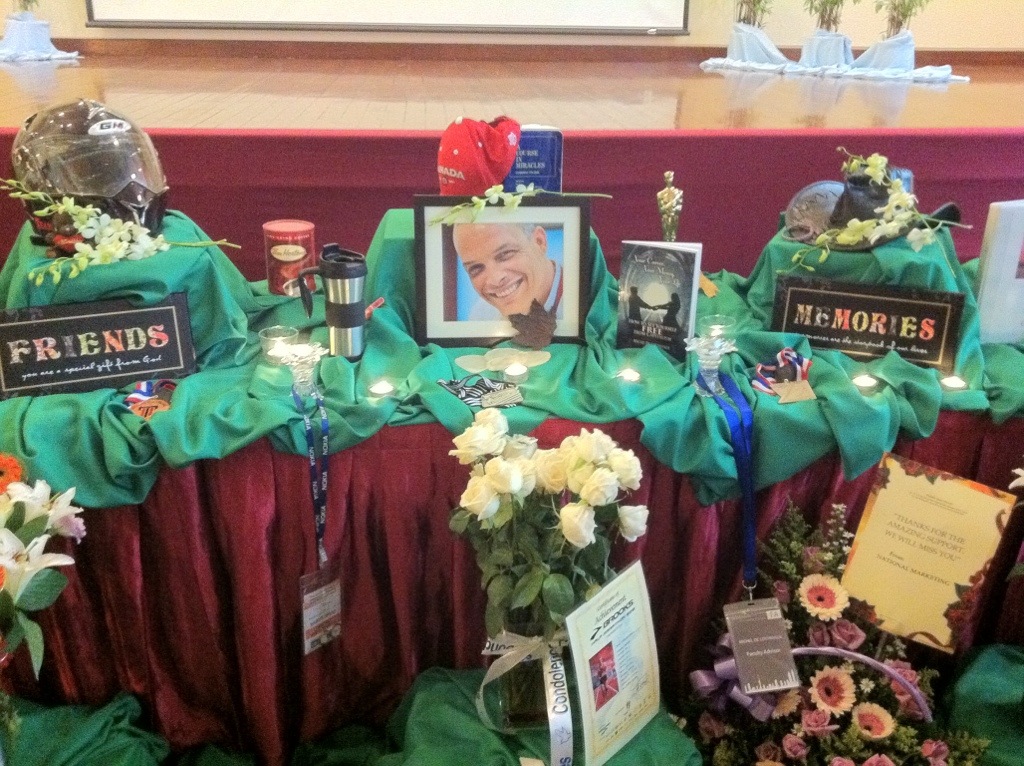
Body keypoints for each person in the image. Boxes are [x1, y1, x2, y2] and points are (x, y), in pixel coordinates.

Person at [451, 222, 562, 320]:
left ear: (539, 242)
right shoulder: (481, 315)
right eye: (476, 268)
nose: (495, 280)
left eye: (505, 254)